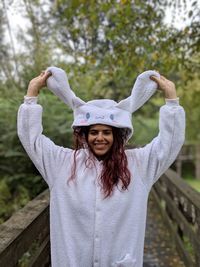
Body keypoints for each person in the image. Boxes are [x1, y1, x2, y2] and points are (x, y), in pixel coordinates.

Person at [17, 67, 185, 267]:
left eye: (107, 132)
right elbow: (32, 140)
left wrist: (172, 102)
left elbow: (167, 145)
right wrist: (31, 95)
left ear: (117, 136)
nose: (100, 138)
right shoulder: (62, 164)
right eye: (94, 132)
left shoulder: (138, 165)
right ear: (85, 135)